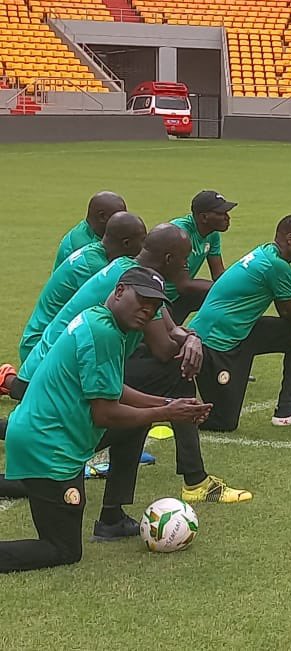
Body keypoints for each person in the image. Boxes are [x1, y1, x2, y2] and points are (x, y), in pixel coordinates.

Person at [0, 269, 212, 573]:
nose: (147, 311)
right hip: (48, 444)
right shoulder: (103, 332)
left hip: (53, 437)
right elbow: (106, 412)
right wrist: (166, 412)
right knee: (62, 548)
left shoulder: (104, 322)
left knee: (134, 425)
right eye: (142, 300)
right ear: (120, 290)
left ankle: (112, 518)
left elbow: (113, 387)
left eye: (154, 306)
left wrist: (168, 403)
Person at [9, 224, 195, 400]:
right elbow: (163, 350)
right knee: (178, 368)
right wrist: (187, 345)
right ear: (169, 259)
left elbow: (171, 329)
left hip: (38, 369)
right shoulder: (137, 288)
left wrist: (192, 340)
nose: (186, 265)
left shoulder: (127, 268)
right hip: (49, 378)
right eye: (185, 258)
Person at [189, 215, 291, 432]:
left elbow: (288, 313)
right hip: (217, 342)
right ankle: (176, 404)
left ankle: (286, 412)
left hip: (239, 331)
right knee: (224, 423)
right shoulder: (276, 266)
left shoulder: (267, 252)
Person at [19, 211, 146, 362]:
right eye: (142, 241)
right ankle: (7, 379)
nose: (144, 247)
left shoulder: (93, 251)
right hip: (40, 345)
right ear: (126, 243)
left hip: (46, 339)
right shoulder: (96, 266)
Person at [166, 190, 236, 325]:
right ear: (204, 217)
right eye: (221, 214)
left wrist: (241, 285)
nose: (227, 217)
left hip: (177, 296)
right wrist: (226, 288)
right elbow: (184, 285)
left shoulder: (212, 235)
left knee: (226, 298)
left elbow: (218, 274)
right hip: (159, 298)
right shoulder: (180, 234)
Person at [52, 191, 126, 269]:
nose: (125, 221)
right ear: (102, 216)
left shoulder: (92, 230)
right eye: (119, 217)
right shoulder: (83, 247)